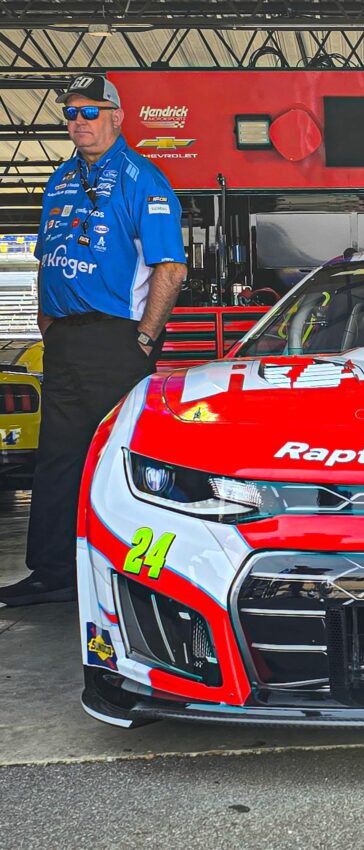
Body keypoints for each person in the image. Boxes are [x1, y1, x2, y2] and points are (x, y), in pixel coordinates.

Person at [0, 74, 186, 607]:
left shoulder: (142, 178)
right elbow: (45, 259)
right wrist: (48, 324)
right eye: (71, 113)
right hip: (64, 339)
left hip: (116, 341)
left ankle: (133, 571)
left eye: (90, 111)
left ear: (116, 117)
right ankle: (53, 572)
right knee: (58, 458)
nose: (78, 121)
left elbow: (170, 267)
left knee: (118, 460)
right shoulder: (60, 179)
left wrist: (144, 337)